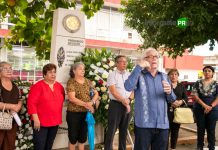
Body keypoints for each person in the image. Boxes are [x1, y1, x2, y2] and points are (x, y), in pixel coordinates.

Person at [124, 47, 177, 150]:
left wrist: (169, 92)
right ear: (145, 60)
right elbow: (128, 86)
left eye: (156, 57)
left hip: (162, 126)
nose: (154, 59)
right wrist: (138, 67)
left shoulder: (165, 77)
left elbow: (172, 99)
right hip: (144, 125)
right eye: (150, 57)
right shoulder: (139, 75)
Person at [27, 63, 65, 150]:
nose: (53, 74)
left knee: (49, 146)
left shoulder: (59, 86)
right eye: (50, 72)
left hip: (55, 121)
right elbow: (31, 103)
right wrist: (36, 119)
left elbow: (62, 100)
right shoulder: (37, 86)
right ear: (44, 74)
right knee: (40, 146)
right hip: (40, 122)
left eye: (54, 72)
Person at [66, 62, 99, 150]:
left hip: (86, 114)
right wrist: (87, 104)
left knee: (82, 137)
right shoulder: (71, 82)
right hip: (74, 114)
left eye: (83, 69)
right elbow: (72, 98)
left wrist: (92, 102)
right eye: (80, 68)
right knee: (73, 138)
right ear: (74, 70)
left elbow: (96, 93)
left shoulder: (88, 81)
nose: (83, 70)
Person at [104, 55, 134, 150]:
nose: (125, 63)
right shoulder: (112, 75)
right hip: (116, 105)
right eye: (122, 61)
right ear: (117, 63)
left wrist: (128, 100)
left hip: (128, 104)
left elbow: (134, 90)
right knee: (112, 130)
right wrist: (123, 100)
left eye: (126, 61)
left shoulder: (129, 75)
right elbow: (113, 91)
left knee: (124, 130)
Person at [191, 66, 218, 150]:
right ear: (203, 72)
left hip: (213, 110)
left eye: (209, 71)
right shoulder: (197, 83)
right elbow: (194, 95)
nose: (207, 72)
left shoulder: (216, 84)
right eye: (205, 71)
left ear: (212, 73)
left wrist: (210, 106)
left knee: (211, 129)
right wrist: (204, 105)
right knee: (200, 128)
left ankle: (211, 147)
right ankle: (199, 146)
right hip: (199, 109)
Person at [0, 61, 22, 150]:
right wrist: (12, 106)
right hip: (1, 119)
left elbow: (19, 99)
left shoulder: (15, 85)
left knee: (9, 145)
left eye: (10, 68)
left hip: (12, 121)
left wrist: (18, 106)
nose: (9, 70)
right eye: (6, 68)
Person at [167, 69, 188, 150]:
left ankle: (173, 148)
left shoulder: (181, 86)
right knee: (165, 131)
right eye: (171, 74)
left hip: (178, 112)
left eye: (175, 74)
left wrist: (180, 102)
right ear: (168, 76)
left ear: (178, 76)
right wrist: (171, 102)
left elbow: (185, 98)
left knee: (175, 131)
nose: (173, 76)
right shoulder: (166, 85)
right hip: (167, 111)